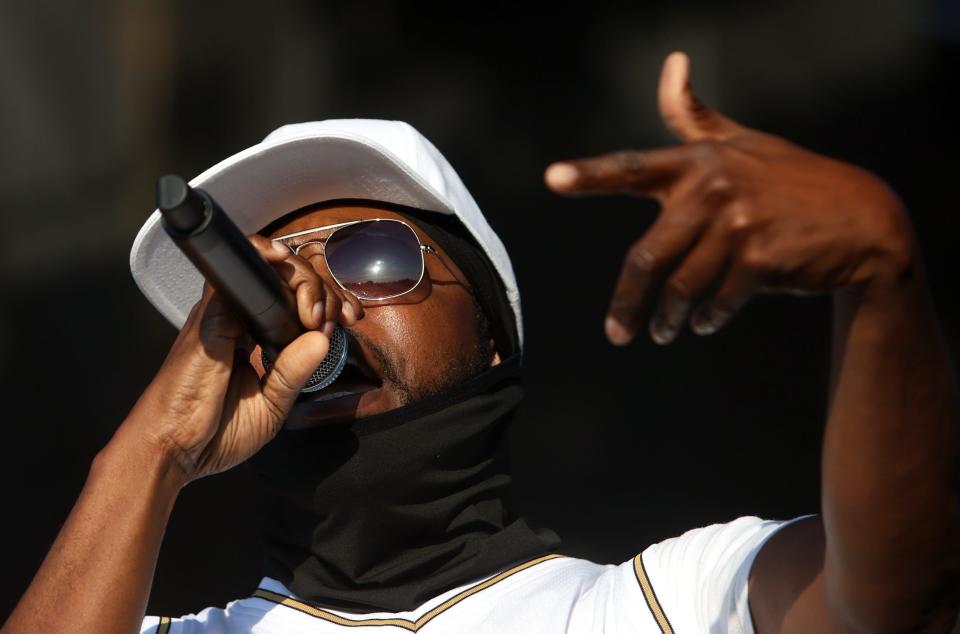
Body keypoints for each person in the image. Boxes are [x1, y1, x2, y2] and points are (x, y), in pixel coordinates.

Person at [4, 52, 958, 634]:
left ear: (492, 338)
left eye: (371, 254)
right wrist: (152, 455)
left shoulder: (662, 602)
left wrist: (884, 280)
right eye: (264, 272)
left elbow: (895, 607)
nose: (314, 298)